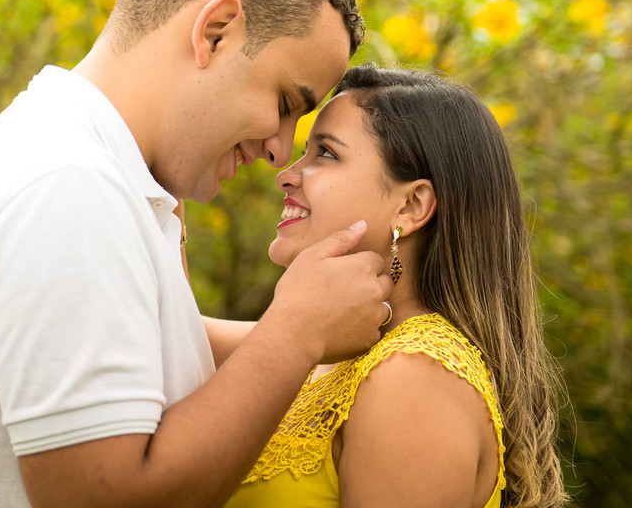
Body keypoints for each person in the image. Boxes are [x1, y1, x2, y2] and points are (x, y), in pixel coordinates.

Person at [0, 0, 395, 507]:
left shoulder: (85, 165)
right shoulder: (69, 186)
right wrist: (295, 333)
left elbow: (154, 347)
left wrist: (329, 329)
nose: (279, 149)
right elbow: (108, 496)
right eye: (286, 103)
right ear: (215, 32)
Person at [225, 65, 568, 508]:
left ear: (411, 205)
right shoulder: (330, 342)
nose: (286, 175)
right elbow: (173, 330)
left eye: (325, 153)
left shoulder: (416, 375)